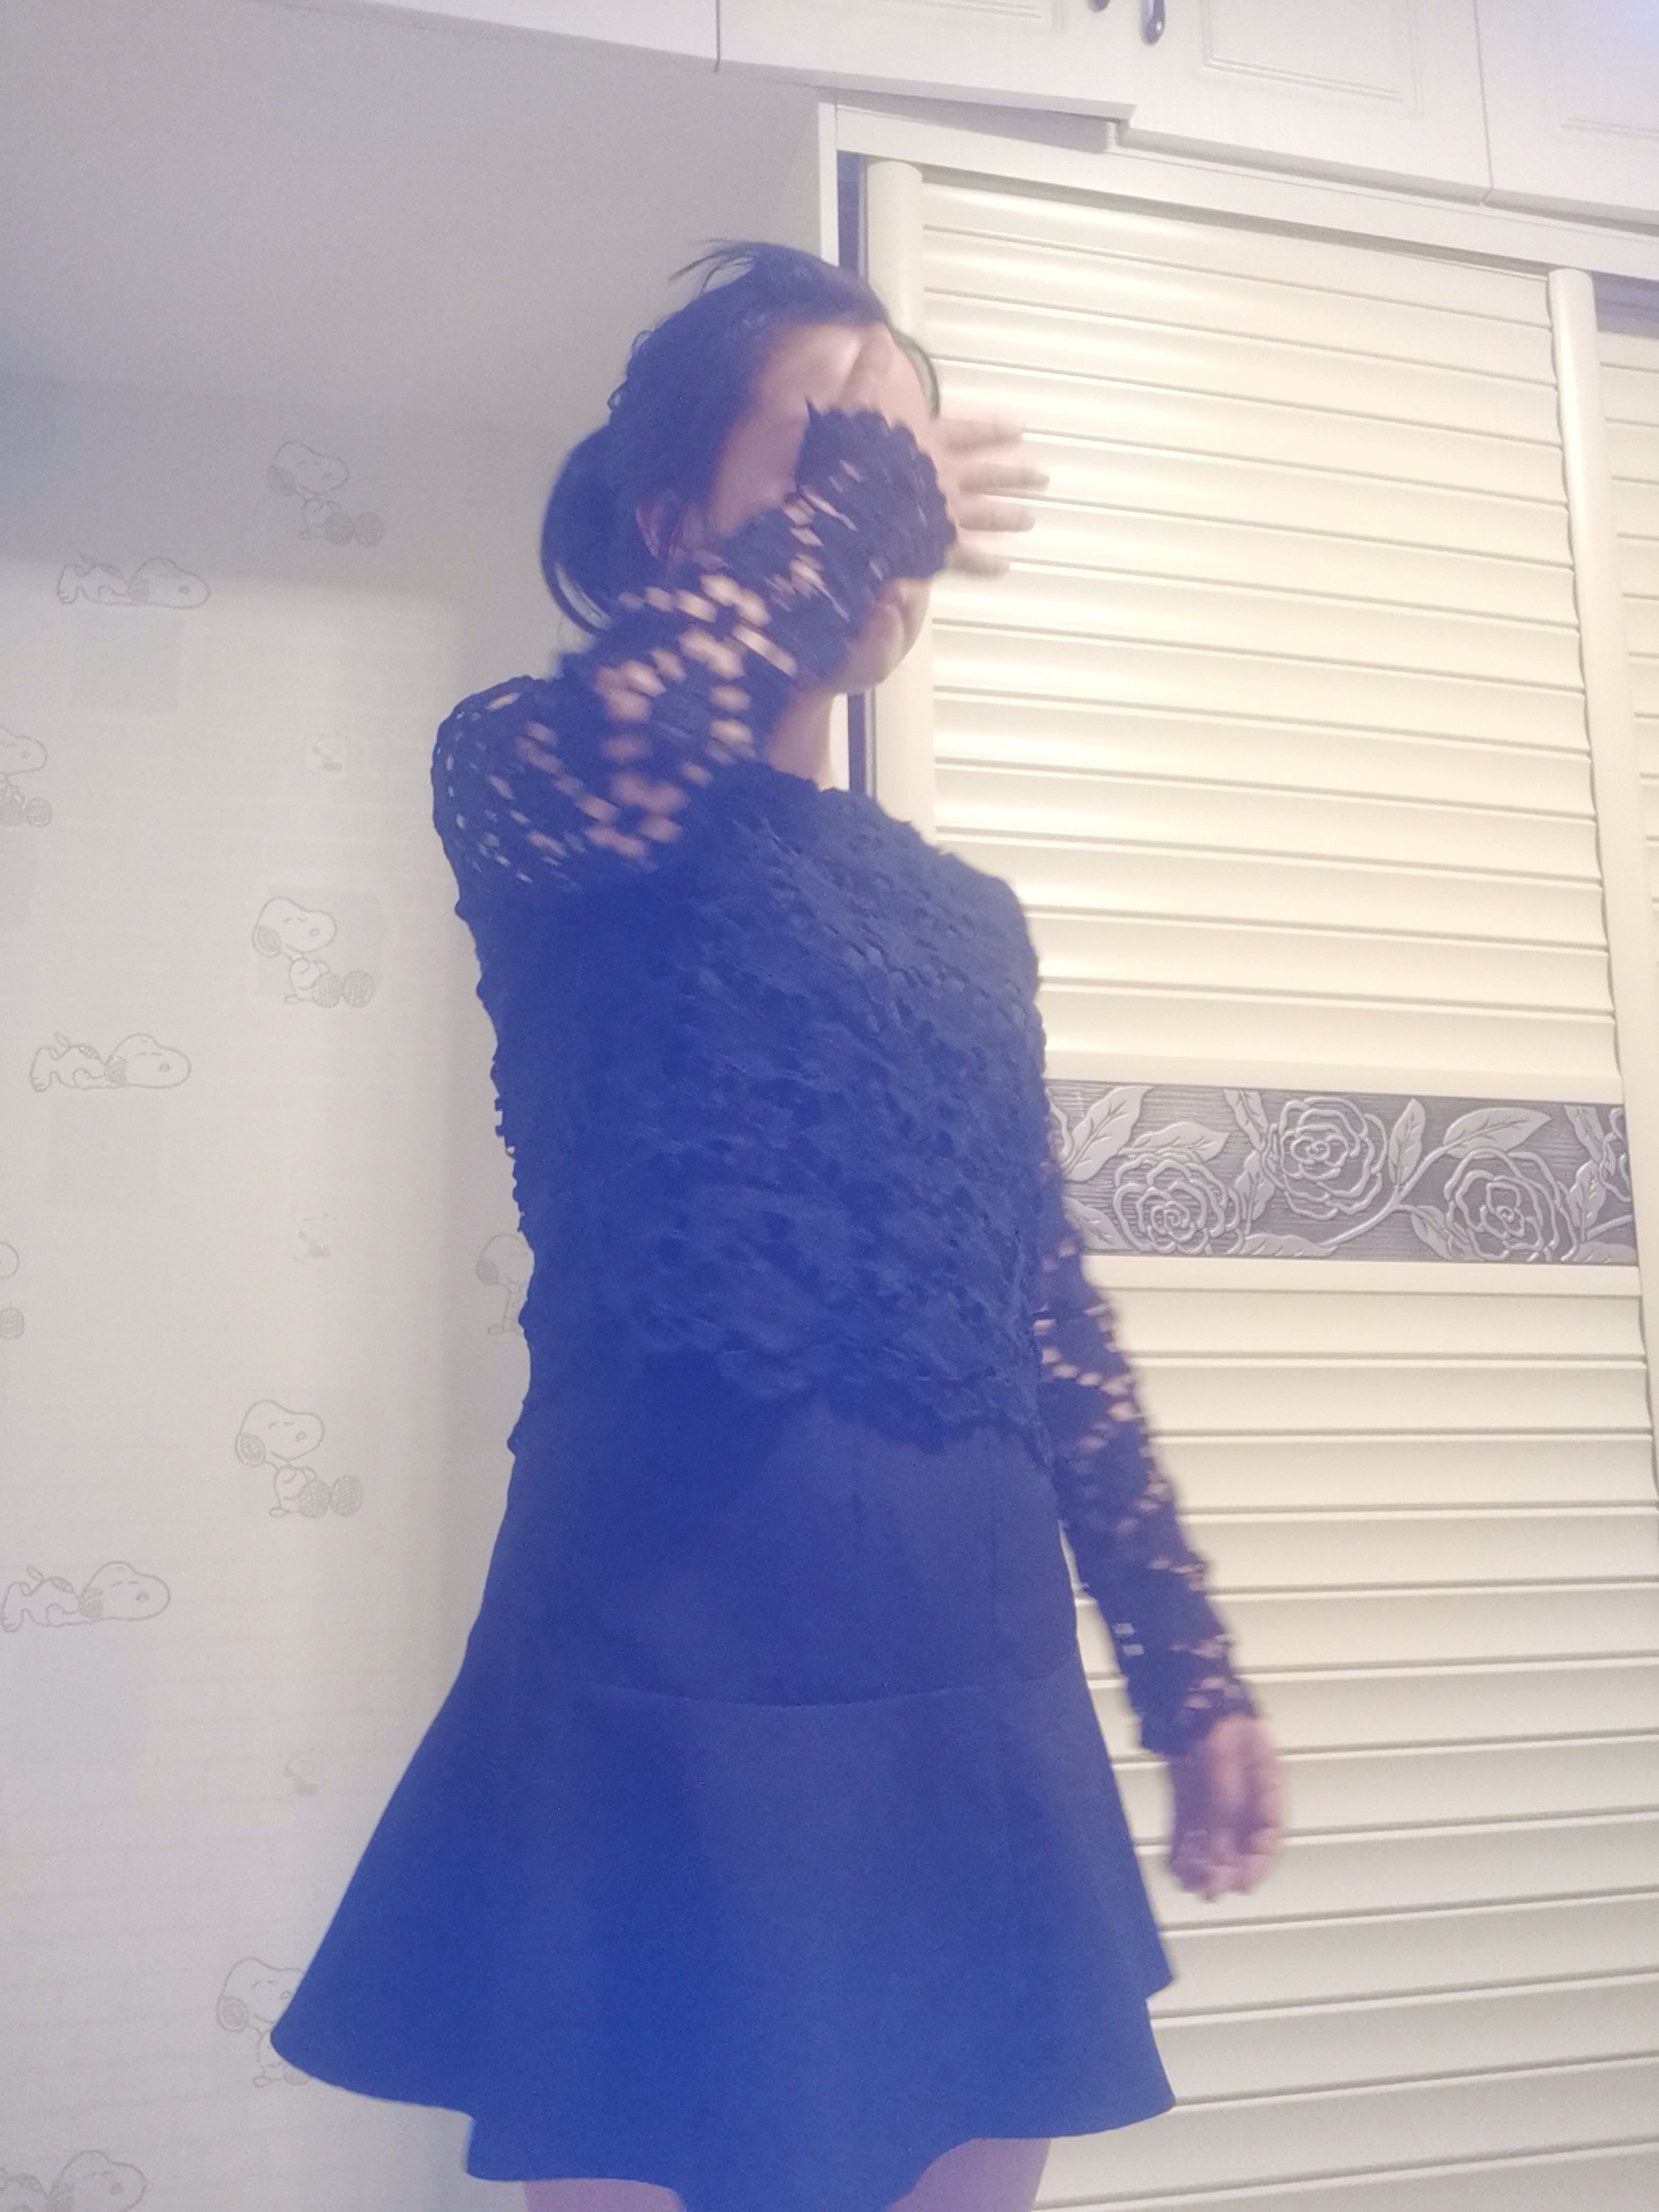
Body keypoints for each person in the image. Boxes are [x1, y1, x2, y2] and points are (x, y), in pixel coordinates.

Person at [270, 244, 1282, 2212]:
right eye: (837, 449)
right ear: (674, 520)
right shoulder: (527, 766)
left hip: (973, 1658)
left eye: (909, 462)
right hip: (666, 1638)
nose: (893, 504)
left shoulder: (967, 922)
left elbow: (1043, 1310)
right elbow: (620, 756)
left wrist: (1188, 1663)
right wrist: (866, 506)